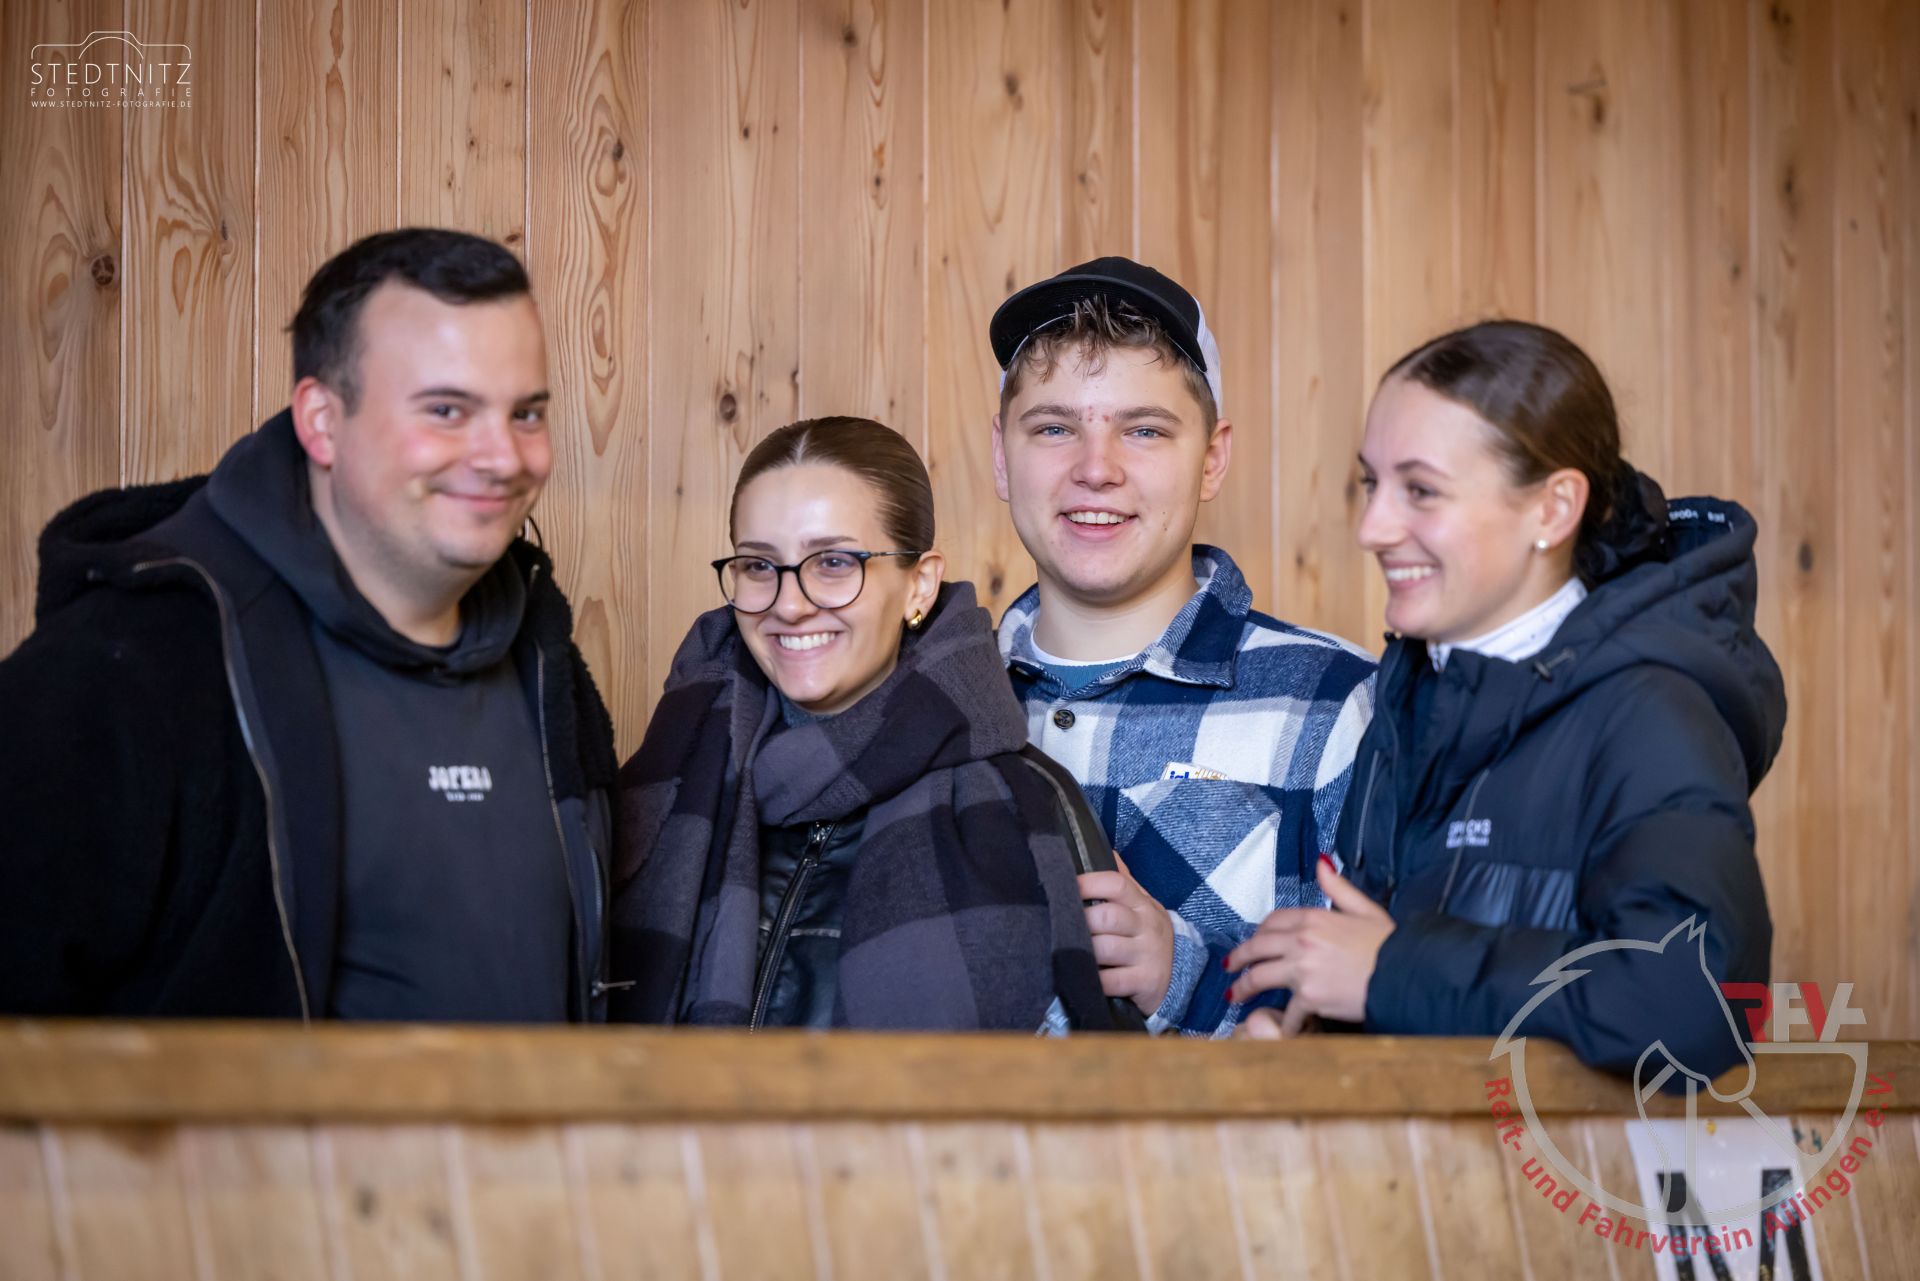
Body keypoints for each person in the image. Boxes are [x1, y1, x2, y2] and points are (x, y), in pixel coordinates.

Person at [0, 228, 617, 1021]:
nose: (503, 456)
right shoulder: (134, 662)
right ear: (321, 420)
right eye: (447, 410)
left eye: (526, 413)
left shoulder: (547, 667)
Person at [1226, 320, 1782, 1077]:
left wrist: (1391, 969)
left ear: (1553, 509)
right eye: (1371, 483)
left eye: (1421, 490)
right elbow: (1435, 1012)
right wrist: (1317, 1048)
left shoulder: (1649, 714)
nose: (1371, 528)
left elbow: (1693, 1002)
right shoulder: (1409, 702)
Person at [608, 417, 1117, 1031]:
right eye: (760, 566)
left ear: (919, 585)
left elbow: (1079, 1066)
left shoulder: (1024, 803)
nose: (789, 605)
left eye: (833, 562)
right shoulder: (663, 781)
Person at [988, 258, 1377, 1036]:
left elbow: (1392, 1028)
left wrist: (1184, 976)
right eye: (1055, 428)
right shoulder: (935, 708)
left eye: (1144, 430)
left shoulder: (1334, 703)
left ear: (1212, 458)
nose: (1096, 469)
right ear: (1002, 456)